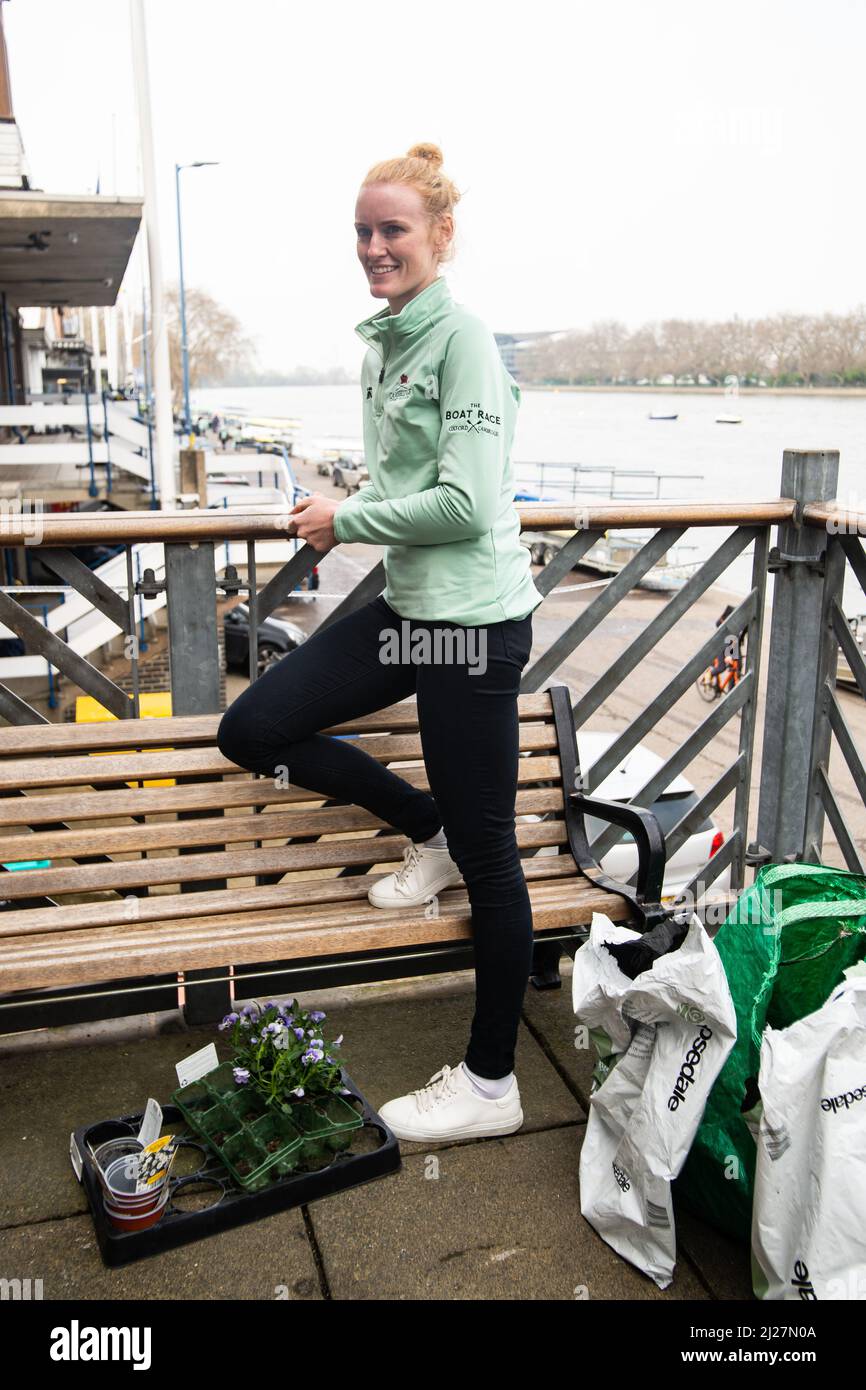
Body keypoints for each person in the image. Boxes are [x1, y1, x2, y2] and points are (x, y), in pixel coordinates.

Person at [216, 142, 543, 1143]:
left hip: (471, 629)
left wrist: (342, 519)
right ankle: (421, 824)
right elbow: (415, 483)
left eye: (392, 229)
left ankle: (492, 1083)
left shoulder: (463, 341)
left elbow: (468, 499)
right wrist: (357, 510)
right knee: (256, 725)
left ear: (440, 236)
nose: (372, 246)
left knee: (493, 849)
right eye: (362, 230)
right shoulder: (386, 342)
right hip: (410, 612)